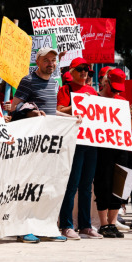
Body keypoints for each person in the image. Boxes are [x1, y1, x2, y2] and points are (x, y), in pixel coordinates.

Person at [10, 46, 72, 243]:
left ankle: (45, 227)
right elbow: (15, 106)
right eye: (46, 60)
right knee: (29, 185)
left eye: (53, 60)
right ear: (37, 61)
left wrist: (71, 118)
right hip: (31, 143)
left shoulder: (54, 82)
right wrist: (31, 112)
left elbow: (51, 111)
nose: (51, 64)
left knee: (47, 187)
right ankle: (24, 228)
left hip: (49, 145)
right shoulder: (28, 81)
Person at [56, 57, 100, 239]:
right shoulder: (65, 89)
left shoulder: (93, 91)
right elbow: (58, 109)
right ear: (72, 71)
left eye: (87, 70)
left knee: (86, 186)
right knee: (72, 184)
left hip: (91, 141)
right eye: (80, 69)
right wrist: (77, 105)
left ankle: (85, 225)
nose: (84, 72)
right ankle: (66, 224)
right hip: (74, 141)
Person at [94, 68, 132, 238]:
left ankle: (112, 223)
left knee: (118, 185)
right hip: (102, 148)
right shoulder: (95, 100)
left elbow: (127, 130)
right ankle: (103, 224)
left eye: (119, 89)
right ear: (106, 82)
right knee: (103, 184)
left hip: (120, 147)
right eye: (114, 88)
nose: (116, 92)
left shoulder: (122, 102)